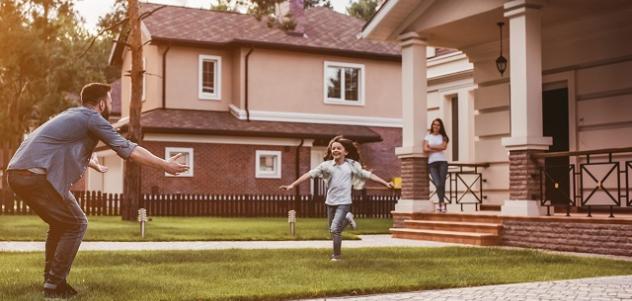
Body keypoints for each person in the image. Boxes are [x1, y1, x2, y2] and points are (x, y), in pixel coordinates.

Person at [6, 83, 189, 299]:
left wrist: (91, 163)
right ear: (102, 103)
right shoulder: (92, 119)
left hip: (18, 173)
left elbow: (57, 146)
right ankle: (54, 285)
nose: (111, 104)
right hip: (35, 176)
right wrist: (164, 165)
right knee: (76, 223)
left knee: (61, 224)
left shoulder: (72, 115)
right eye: (110, 101)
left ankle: (52, 280)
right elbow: (127, 149)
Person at [280, 136, 393, 261]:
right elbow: (309, 174)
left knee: (335, 229)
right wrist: (292, 185)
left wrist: (385, 183)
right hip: (330, 202)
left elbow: (369, 175)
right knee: (333, 231)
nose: (335, 150)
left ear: (346, 152)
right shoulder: (326, 166)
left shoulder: (351, 166)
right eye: (333, 148)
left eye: (339, 148)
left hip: (344, 202)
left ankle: (336, 256)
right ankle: (348, 219)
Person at [423, 118, 450, 213]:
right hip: (432, 163)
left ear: (440, 127)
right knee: (438, 184)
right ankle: (442, 202)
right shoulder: (428, 136)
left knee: (442, 184)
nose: (436, 126)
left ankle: (441, 204)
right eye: (434, 124)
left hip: (443, 162)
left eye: (438, 125)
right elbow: (425, 149)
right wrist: (437, 148)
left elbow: (444, 147)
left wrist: (431, 146)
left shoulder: (443, 136)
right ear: (432, 126)